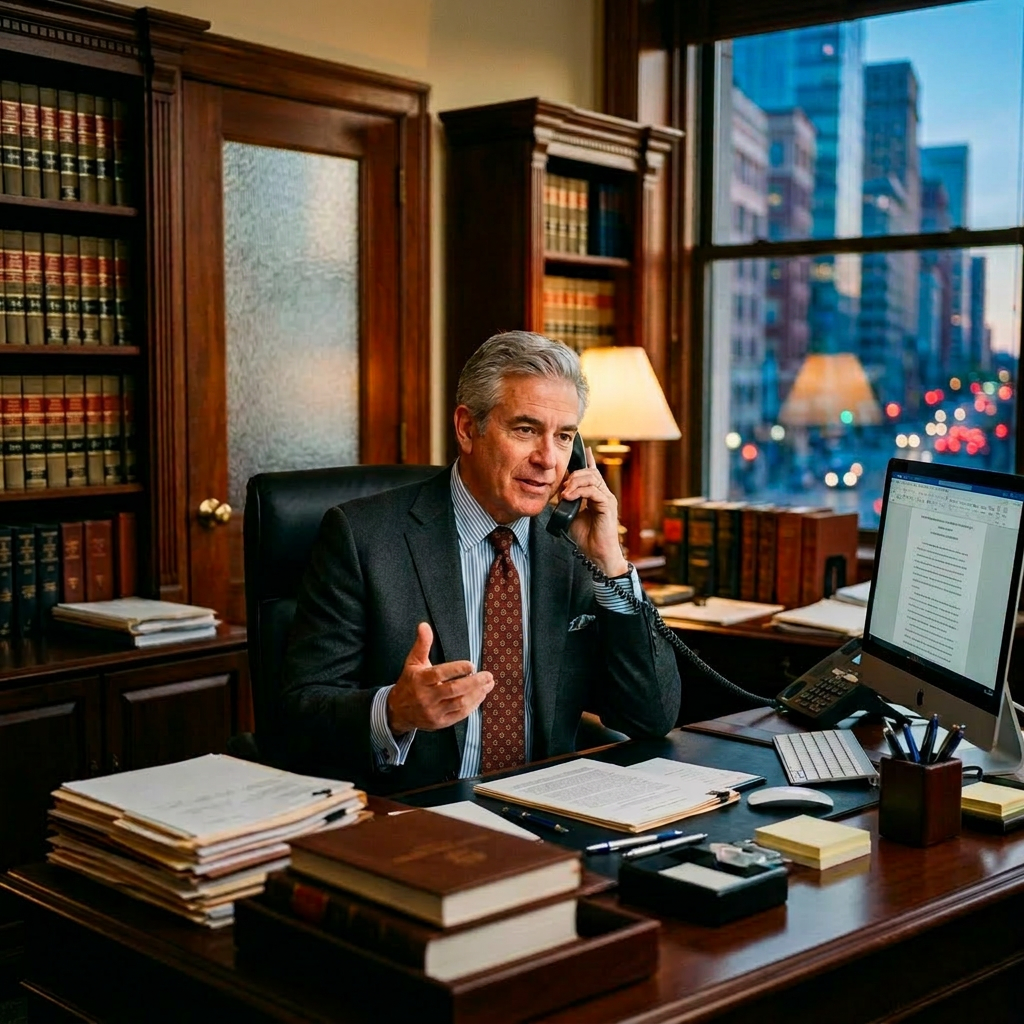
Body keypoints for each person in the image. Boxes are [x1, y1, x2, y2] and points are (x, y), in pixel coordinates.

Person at [281, 331, 681, 792]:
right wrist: (394, 711)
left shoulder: (574, 547)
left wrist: (611, 563)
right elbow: (297, 716)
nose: (548, 460)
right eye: (526, 430)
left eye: (564, 436)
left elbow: (652, 714)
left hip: (550, 812)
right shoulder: (362, 537)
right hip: (418, 817)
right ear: (468, 428)